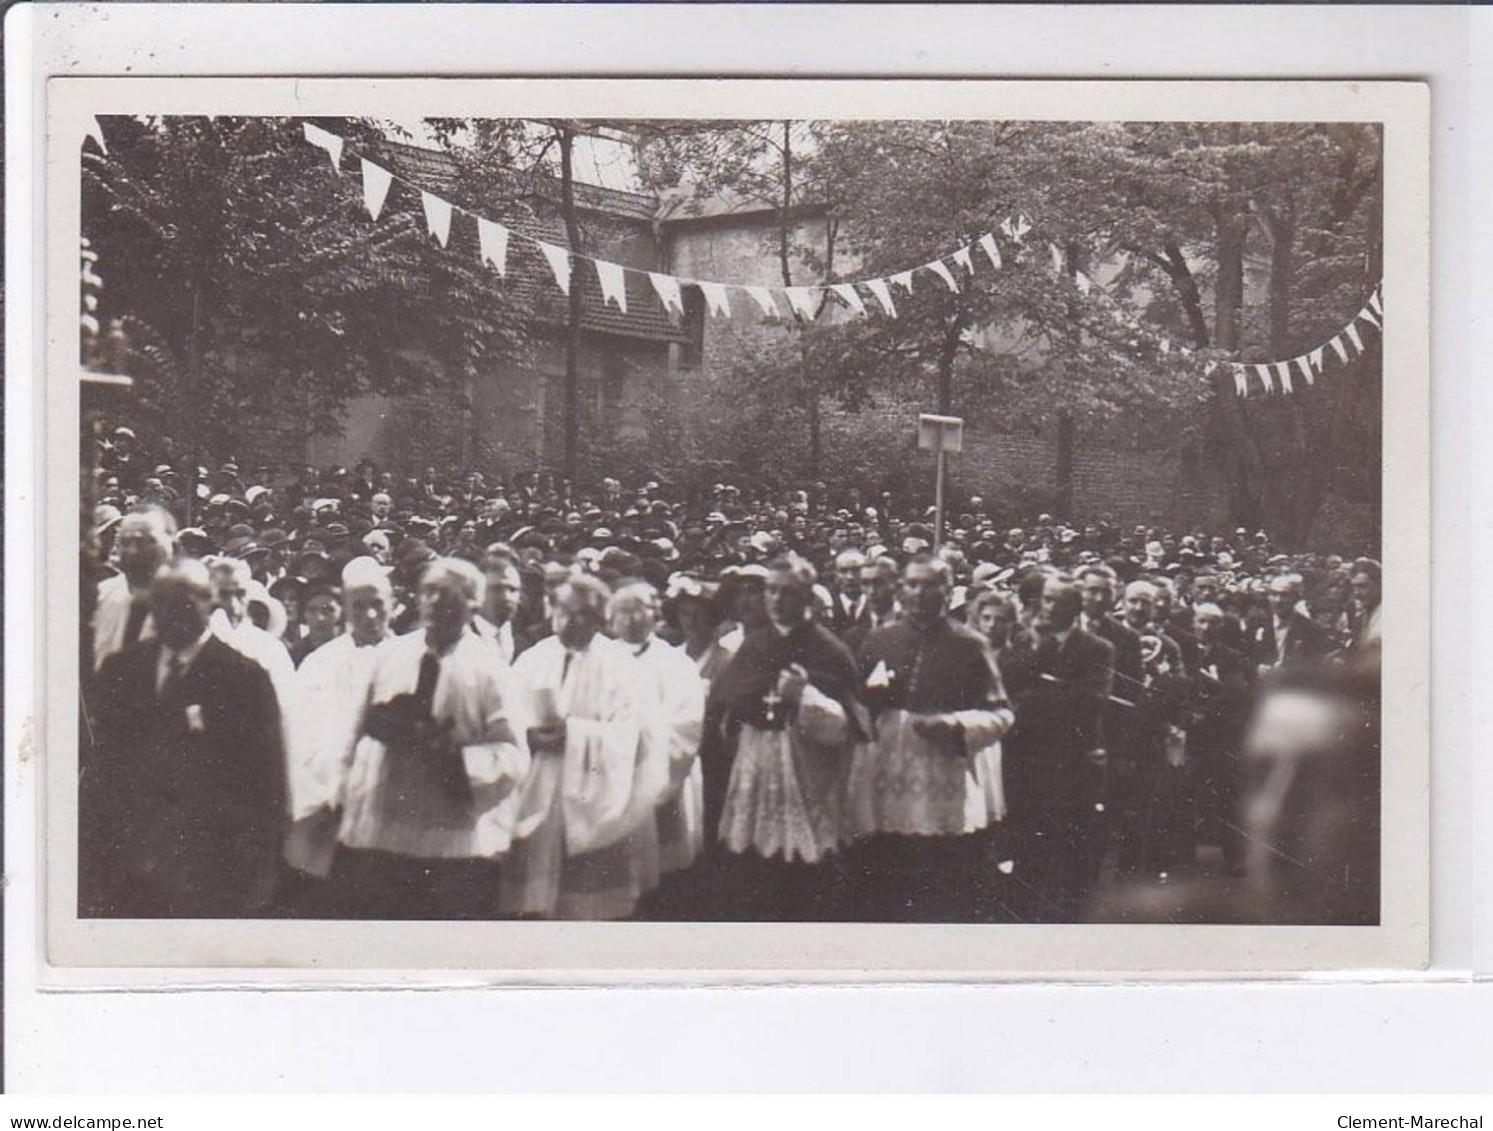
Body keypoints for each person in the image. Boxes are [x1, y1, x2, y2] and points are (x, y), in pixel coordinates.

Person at [83, 559, 287, 917]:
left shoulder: (243, 679)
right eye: (159, 601)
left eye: (183, 600)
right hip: (129, 867)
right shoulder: (123, 668)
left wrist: (255, 878)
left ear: (209, 601)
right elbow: (105, 769)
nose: (168, 611)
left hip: (211, 870)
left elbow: (265, 784)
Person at [331, 558, 531, 919]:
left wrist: (452, 758)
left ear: (473, 602)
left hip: (452, 842)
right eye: (429, 593)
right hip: (380, 832)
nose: (435, 603)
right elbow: (352, 734)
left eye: (448, 595)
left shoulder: (489, 669)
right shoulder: (391, 656)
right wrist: (341, 792)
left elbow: (513, 754)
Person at [845, 556, 1016, 922]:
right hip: (885, 779)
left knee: (943, 888)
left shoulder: (970, 645)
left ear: (948, 590)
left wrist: (955, 726)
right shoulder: (879, 639)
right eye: (912, 584)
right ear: (902, 589)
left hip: (944, 780)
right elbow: (854, 706)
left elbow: (1002, 715)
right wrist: (870, 705)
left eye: (931, 584)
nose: (920, 593)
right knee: (885, 883)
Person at [706, 556, 864, 920]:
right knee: (753, 868)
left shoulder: (830, 649)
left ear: (808, 596)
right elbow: (728, 700)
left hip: (807, 769)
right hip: (755, 762)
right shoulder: (755, 643)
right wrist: (733, 718)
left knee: (804, 877)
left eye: (787, 592)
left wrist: (805, 697)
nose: (776, 600)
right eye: (771, 591)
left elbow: (846, 728)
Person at [501, 575, 658, 920]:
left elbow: (635, 734)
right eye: (563, 611)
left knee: (585, 904)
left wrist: (573, 736)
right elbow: (507, 714)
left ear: (599, 617)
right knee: (531, 899)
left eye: (581, 614)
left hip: (590, 792)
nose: (569, 621)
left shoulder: (619, 666)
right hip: (537, 782)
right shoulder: (534, 657)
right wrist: (528, 735)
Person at [279, 558, 394, 913]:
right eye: (359, 606)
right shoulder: (321, 662)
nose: (370, 615)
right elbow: (301, 737)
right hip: (332, 805)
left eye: (378, 604)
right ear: (345, 609)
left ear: (393, 604)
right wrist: (330, 790)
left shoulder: (412, 657)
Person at [1000, 574, 1115, 920]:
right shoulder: (1022, 643)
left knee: (1069, 859)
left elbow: (1088, 703)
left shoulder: (1097, 649)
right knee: (1026, 853)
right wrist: (1051, 691)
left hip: (1071, 767)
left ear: (1076, 607)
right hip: (1025, 764)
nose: (1049, 608)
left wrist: (1034, 698)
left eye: (1059, 602)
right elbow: (1006, 696)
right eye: (1046, 600)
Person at [610, 580, 708, 916]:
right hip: (615, 778)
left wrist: (649, 753)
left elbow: (688, 723)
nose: (633, 619)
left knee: (667, 878)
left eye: (642, 611)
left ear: (655, 615)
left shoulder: (675, 663)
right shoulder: (601, 661)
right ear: (612, 618)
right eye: (624, 611)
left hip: (666, 776)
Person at [92, 507, 175, 671]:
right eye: (125, 542)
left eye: (143, 542)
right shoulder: (101, 595)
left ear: (168, 547)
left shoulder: (190, 601)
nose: (133, 551)